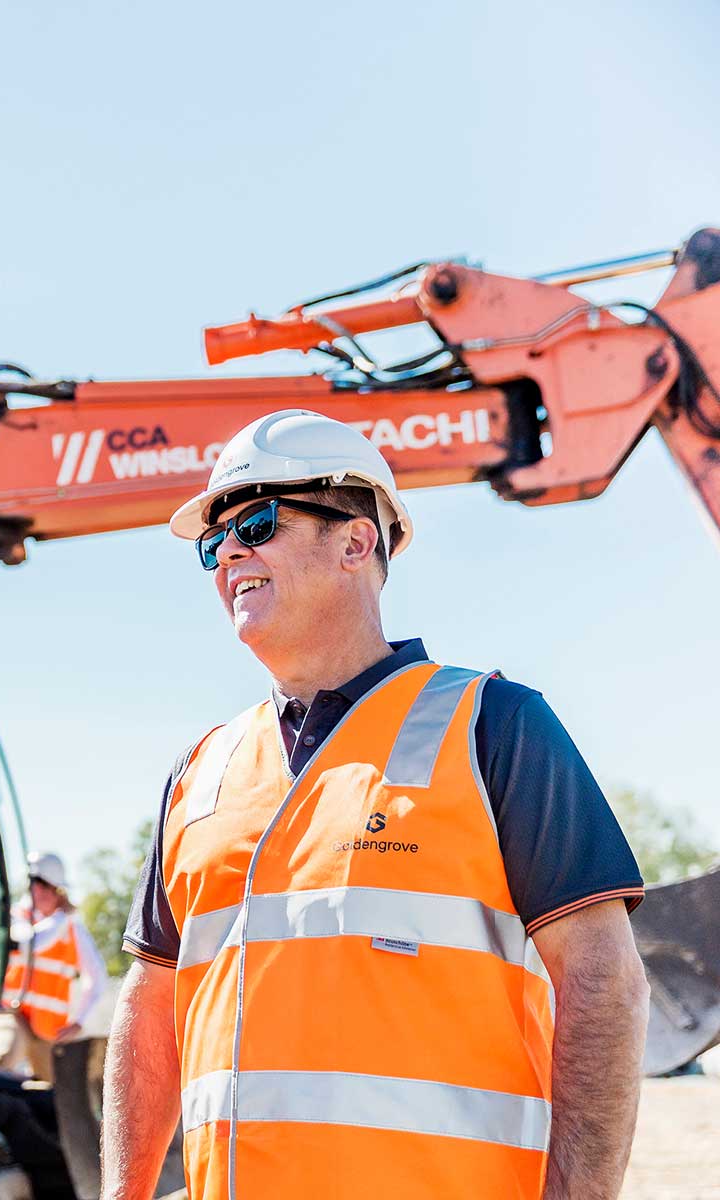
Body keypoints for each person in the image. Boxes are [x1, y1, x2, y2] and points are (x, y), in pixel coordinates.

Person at [101, 410, 651, 1200]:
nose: (229, 551)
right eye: (213, 539)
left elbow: (604, 980)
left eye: (255, 521)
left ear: (357, 543)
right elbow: (152, 1004)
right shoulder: (204, 769)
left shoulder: (494, 726)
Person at [0, 850, 108, 1083]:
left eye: (46, 885)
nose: (40, 891)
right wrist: (64, 918)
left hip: (49, 1031)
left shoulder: (73, 929)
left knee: (55, 1093)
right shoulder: (16, 919)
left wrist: (78, 1021)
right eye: (35, 883)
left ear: (58, 891)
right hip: (14, 1015)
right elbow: (33, 942)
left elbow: (97, 977)